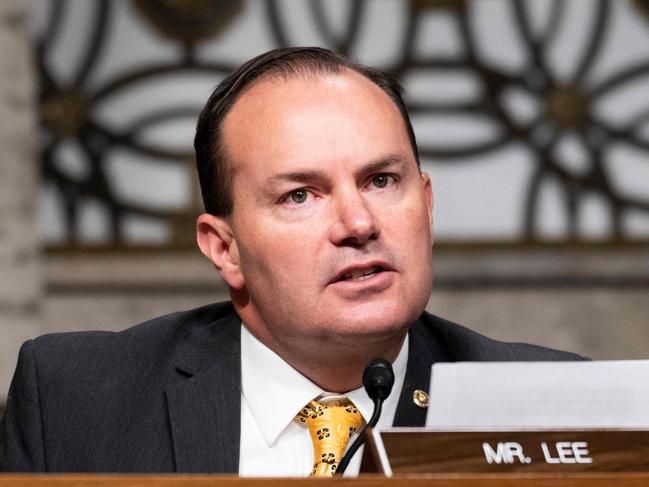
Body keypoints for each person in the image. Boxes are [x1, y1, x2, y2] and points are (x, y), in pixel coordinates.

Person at [0, 47, 582, 475]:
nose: (358, 224)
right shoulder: (74, 400)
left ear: (427, 207)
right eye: (300, 195)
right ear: (224, 248)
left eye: (381, 180)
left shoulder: (559, 406)